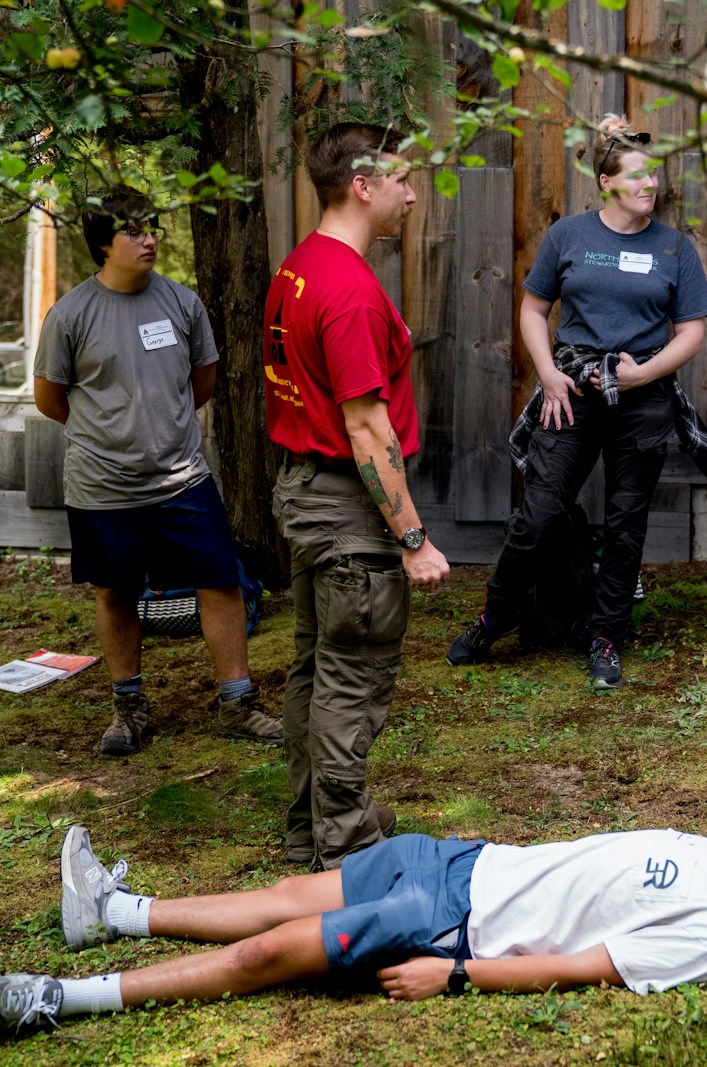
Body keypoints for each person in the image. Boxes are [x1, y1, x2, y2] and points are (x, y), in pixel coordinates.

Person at [0, 822, 707, 1034]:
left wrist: (458, 978)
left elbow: (594, 965)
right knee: (290, 893)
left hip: (453, 919)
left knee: (266, 957)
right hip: (462, 860)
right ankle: (112, 914)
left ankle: (57, 1003)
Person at [446, 114, 707, 690]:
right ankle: (495, 616)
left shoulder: (675, 248)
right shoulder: (569, 236)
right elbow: (531, 310)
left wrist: (643, 373)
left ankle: (605, 636)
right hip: (571, 389)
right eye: (639, 176)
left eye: (655, 177)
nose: (651, 185)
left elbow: (693, 332)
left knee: (626, 526)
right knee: (539, 517)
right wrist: (547, 375)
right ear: (606, 182)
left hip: (642, 399)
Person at [33, 188, 282, 757]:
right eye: (134, 232)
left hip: (182, 481)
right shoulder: (70, 314)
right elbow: (50, 398)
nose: (149, 240)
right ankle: (129, 708)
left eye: (152, 229)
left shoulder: (181, 303)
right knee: (116, 591)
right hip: (102, 487)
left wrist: (157, 431)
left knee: (220, 583)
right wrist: (111, 436)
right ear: (103, 244)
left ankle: (237, 702)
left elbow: (203, 382)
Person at [263, 123, 451, 872]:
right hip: (346, 509)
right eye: (403, 179)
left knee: (317, 664)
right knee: (352, 675)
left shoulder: (299, 269)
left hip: (305, 495)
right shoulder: (348, 291)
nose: (412, 193)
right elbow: (368, 431)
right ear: (363, 186)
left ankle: (310, 822)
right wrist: (412, 538)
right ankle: (345, 845)